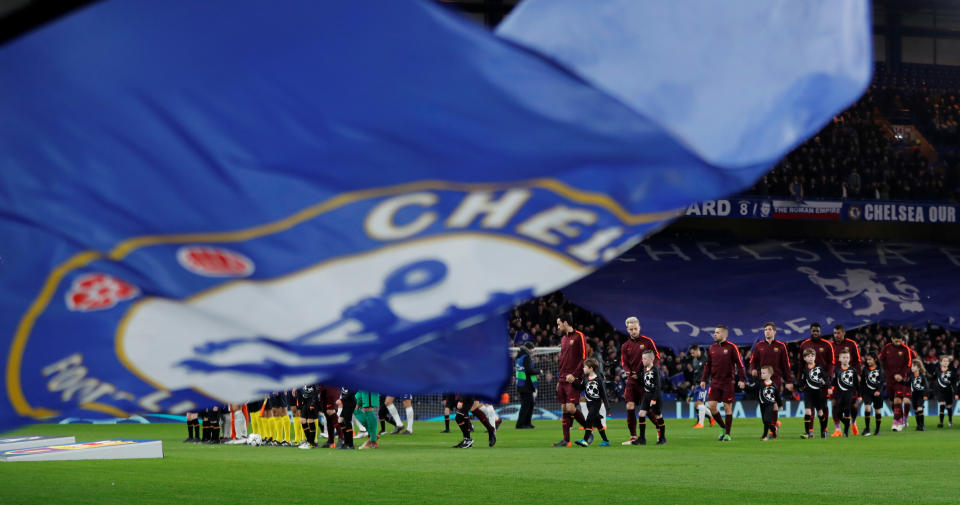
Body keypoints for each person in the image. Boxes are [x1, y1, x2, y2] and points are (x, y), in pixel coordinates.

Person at [699, 325, 746, 442]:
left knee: (727, 407)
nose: (715, 334)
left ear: (725, 335)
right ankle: (724, 427)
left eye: (717, 332)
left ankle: (727, 434)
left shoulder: (731, 347)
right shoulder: (712, 348)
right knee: (711, 406)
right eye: (715, 332)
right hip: (714, 382)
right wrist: (703, 379)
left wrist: (742, 379)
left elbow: (740, 364)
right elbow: (707, 366)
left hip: (727, 382)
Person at [748, 322, 795, 432]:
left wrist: (789, 381)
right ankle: (775, 422)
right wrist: (753, 369)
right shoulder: (759, 346)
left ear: (774, 331)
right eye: (765, 330)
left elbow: (786, 365)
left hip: (776, 378)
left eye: (769, 329)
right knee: (765, 404)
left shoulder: (780, 346)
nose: (767, 331)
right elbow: (753, 361)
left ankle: (772, 427)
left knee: (772, 402)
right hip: (763, 379)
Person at [620, 316, 660, 444]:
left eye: (635, 329)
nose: (633, 331)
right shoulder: (625, 346)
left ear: (639, 327)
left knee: (646, 409)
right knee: (629, 406)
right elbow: (624, 362)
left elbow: (657, 358)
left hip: (645, 380)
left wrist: (648, 372)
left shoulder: (648, 342)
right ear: (627, 330)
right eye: (631, 329)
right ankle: (633, 437)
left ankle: (660, 429)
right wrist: (627, 371)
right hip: (632, 380)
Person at [554, 315, 590, 447]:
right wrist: (559, 378)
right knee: (564, 408)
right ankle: (566, 440)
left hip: (573, 378)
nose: (558, 327)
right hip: (563, 378)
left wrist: (575, 375)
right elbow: (562, 360)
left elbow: (584, 357)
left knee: (570, 407)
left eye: (559, 324)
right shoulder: (563, 339)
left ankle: (588, 429)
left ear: (565, 322)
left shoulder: (579, 336)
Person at [830, 324, 862, 436]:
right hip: (836, 379)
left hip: (849, 380)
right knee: (834, 404)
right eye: (834, 333)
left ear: (844, 333)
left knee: (853, 405)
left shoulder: (851, 344)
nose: (836, 335)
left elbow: (857, 360)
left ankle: (853, 423)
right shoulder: (831, 345)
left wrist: (858, 374)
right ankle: (837, 428)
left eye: (838, 333)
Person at [573, 358, 611, 447]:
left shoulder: (598, 380)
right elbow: (580, 387)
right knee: (598, 423)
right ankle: (605, 441)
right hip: (589, 404)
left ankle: (585, 440)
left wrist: (608, 408)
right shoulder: (585, 378)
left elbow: (604, 395)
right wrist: (573, 381)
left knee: (589, 419)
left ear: (591, 369)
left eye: (585, 367)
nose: (583, 369)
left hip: (596, 403)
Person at [878, 333, 912, 431]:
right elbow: (880, 359)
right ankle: (900, 418)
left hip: (901, 380)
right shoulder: (886, 348)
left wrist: (902, 375)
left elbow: (908, 364)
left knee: (898, 400)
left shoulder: (906, 349)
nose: (898, 342)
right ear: (892, 339)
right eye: (896, 340)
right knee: (892, 402)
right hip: (889, 379)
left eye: (900, 340)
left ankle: (896, 422)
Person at [635, 350, 666, 445]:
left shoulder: (655, 370)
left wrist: (654, 399)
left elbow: (657, 386)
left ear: (651, 359)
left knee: (658, 416)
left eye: (645, 358)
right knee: (641, 414)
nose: (642, 360)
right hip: (647, 395)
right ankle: (642, 439)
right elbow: (645, 382)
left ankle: (662, 438)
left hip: (654, 396)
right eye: (642, 358)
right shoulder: (645, 369)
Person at [798, 348, 830, 439]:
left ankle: (823, 431)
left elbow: (826, 377)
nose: (811, 358)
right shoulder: (804, 369)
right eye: (808, 356)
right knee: (807, 411)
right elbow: (803, 381)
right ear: (804, 358)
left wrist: (827, 385)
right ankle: (807, 433)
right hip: (808, 393)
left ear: (815, 357)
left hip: (818, 393)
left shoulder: (819, 368)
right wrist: (800, 387)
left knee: (820, 412)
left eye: (812, 356)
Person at [833, 349, 860, 437]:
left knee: (847, 412)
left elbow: (857, 384)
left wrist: (859, 395)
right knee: (838, 413)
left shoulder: (853, 370)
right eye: (843, 357)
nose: (845, 359)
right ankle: (847, 424)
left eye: (847, 357)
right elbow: (834, 382)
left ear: (850, 359)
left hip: (849, 394)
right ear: (839, 359)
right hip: (839, 395)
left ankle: (846, 432)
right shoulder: (837, 370)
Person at [515, 341, 540, 429]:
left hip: (521, 384)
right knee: (527, 404)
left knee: (529, 403)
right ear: (530, 349)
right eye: (533, 348)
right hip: (526, 384)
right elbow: (529, 370)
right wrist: (538, 371)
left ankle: (526, 423)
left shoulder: (519, 356)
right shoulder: (526, 357)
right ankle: (521, 424)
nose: (533, 350)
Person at [686, 345, 711, 429]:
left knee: (700, 403)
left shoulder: (706, 359)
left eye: (693, 353)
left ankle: (701, 423)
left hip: (705, 384)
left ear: (697, 350)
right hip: (697, 384)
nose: (692, 355)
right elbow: (695, 374)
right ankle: (713, 417)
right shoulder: (694, 360)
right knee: (696, 405)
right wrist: (693, 384)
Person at [860, 354, 884, 436]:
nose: (868, 361)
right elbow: (862, 382)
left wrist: (879, 391)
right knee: (867, 408)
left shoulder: (880, 369)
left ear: (875, 359)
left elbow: (882, 382)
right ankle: (867, 429)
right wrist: (861, 393)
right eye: (867, 360)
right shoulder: (865, 369)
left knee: (877, 410)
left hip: (877, 393)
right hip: (867, 392)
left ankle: (877, 429)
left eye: (870, 359)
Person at [934, 355, 956, 428]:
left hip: (949, 391)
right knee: (942, 405)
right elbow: (933, 379)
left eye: (947, 361)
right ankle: (941, 422)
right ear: (940, 362)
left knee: (949, 406)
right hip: (940, 391)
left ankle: (950, 421)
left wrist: (956, 393)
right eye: (944, 361)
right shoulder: (937, 371)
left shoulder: (951, 372)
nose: (945, 362)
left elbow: (954, 383)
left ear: (949, 363)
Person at [757, 365, 779, 441]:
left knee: (767, 420)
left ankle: (764, 436)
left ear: (770, 374)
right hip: (762, 405)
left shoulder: (774, 385)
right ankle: (774, 432)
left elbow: (777, 396)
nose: (761, 375)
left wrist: (780, 404)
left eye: (763, 373)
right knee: (766, 422)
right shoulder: (760, 383)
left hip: (770, 404)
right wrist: (745, 387)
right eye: (761, 373)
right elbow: (752, 388)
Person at [907, 360, 928, 431]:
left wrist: (925, 395)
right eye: (911, 366)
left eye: (913, 366)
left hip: (921, 395)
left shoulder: (922, 376)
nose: (911, 368)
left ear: (918, 368)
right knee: (916, 410)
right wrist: (900, 381)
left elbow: (926, 386)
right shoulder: (911, 376)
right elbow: (907, 384)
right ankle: (918, 425)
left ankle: (922, 425)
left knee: (920, 408)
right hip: (914, 395)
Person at [297, 383, 320, 449]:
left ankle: (312, 443)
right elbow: (299, 392)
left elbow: (316, 392)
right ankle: (309, 441)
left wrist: (313, 404)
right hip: (305, 403)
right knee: (303, 421)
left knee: (310, 421)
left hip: (312, 402)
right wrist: (299, 406)